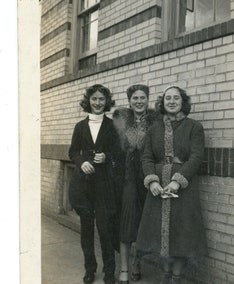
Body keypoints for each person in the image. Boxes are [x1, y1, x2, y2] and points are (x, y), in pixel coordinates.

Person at [136, 86, 207, 284]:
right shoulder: (154, 129)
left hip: (184, 190)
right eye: (168, 98)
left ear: (183, 102)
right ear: (162, 102)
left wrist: (177, 181)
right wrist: (151, 181)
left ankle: (176, 278)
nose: (172, 101)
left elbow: (196, 157)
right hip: (157, 189)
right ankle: (164, 276)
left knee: (181, 234)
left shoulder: (194, 127)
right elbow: (147, 157)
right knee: (158, 235)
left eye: (176, 98)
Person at [68, 84, 123, 284]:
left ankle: (110, 272)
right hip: (83, 187)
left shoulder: (111, 126)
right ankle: (90, 269)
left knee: (106, 230)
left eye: (101, 99)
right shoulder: (80, 126)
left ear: (106, 102)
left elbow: (118, 152)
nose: (98, 103)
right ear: (88, 102)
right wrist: (82, 162)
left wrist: (106, 156)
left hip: (104, 186)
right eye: (94, 99)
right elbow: (72, 152)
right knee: (87, 230)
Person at [112, 84, 159, 284]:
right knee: (127, 221)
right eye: (135, 98)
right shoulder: (121, 120)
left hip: (148, 177)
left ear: (147, 100)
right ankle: (124, 267)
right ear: (129, 101)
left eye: (142, 98)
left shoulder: (155, 120)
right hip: (127, 178)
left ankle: (136, 263)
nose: (139, 101)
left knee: (142, 223)